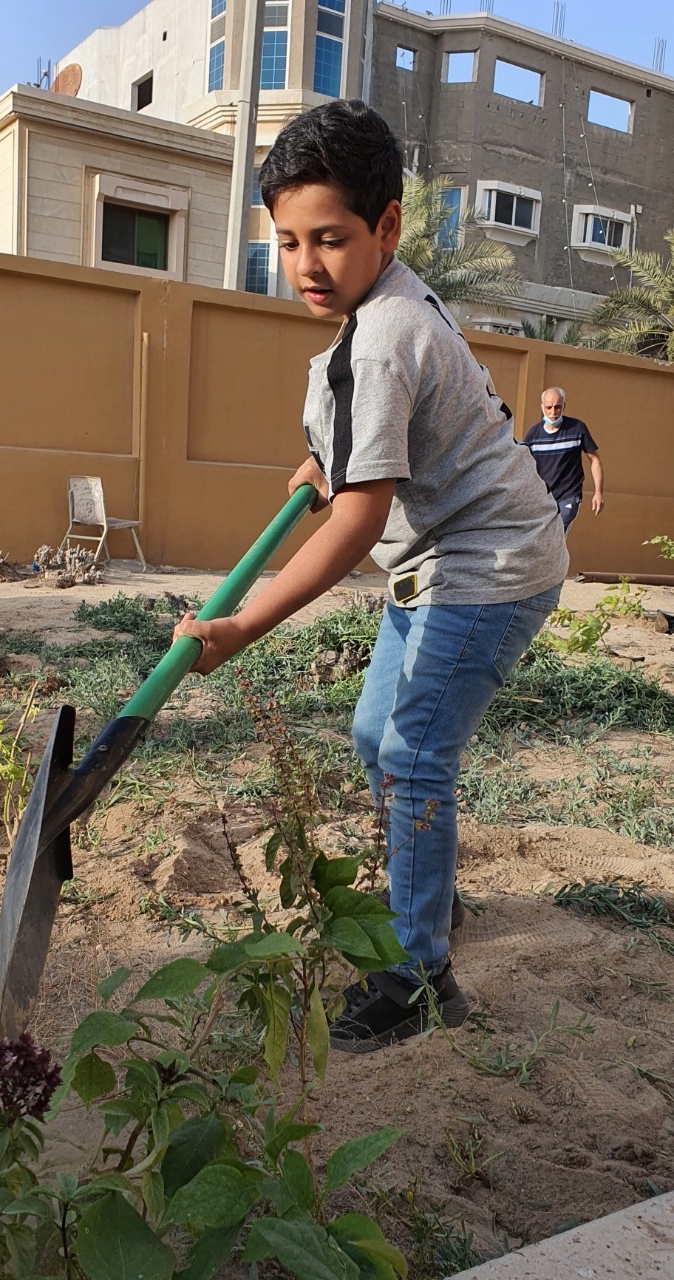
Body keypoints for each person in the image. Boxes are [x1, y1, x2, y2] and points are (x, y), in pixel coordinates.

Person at [174, 99, 568, 1054]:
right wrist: (332, 457)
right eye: (287, 241)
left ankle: (418, 977)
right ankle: (429, 892)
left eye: (331, 239)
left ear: (386, 227)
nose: (307, 264)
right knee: (373, 735)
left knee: (413, 757)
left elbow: (355, 525)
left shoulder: (382, 338)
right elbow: (398, 432)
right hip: (440, 561)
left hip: (489, 566)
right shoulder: (385, 307)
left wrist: (242, 626)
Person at [523, 387, 604, 532]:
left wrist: (598, 492)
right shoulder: (533, 435)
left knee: (556, 530)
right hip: (543, 497)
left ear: (564, 406)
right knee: (543, 536)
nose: (553, 412)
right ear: (542, 407)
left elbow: (594, 460)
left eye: (557, 407)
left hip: (569, 494)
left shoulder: (577, 429)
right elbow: (524, 467)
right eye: (549, 407)